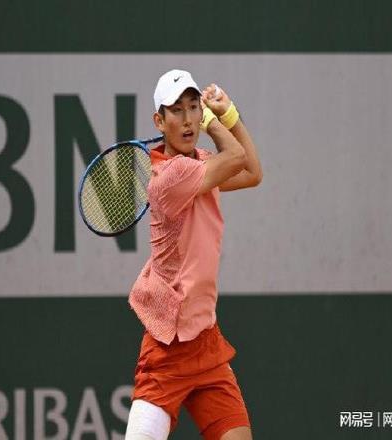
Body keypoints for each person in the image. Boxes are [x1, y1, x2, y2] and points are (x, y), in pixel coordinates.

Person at [125, 69, 262, 440]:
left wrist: (230, 113)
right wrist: (213, 119)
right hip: (167, 350)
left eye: (192, 107)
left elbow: (253, 172)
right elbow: (236, 156)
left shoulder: (201, 162)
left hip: (206, 342)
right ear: (159, 121)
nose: (187, 120)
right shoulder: (169, 177)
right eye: (177, 111)